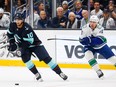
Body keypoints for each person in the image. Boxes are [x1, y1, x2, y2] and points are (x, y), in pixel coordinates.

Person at [7, 13, 68, 81]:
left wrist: (17, 46)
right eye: (16, 19)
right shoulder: (12, 25)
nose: (17, 21)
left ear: (22, 20)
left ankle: (60, 73)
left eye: (19, 20)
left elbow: (29, 42)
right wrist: (12, 42)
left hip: (35, 45)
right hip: (25, 46)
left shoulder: (27, 28)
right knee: (25, 59)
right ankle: (37, 74)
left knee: (47, 59)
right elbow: (9, 34)